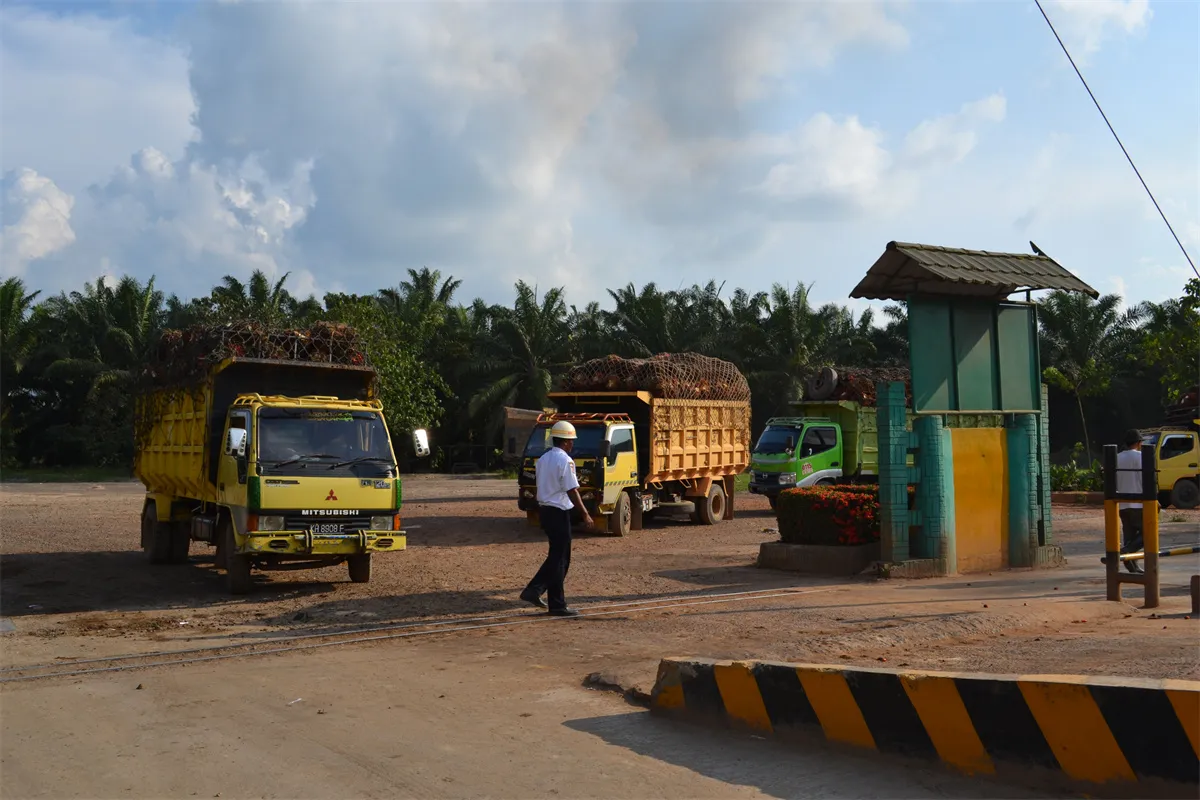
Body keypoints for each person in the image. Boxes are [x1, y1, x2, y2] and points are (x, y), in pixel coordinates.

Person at [520, 420, 593, 617]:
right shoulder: (565, 461)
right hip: (559, 512)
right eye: (571, 441)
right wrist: (585, 514)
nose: (572, 444)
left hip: (546, 510)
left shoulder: (543, 459)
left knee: (558, 558)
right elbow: (572, 490)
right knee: (559, 559)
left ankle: (555, 603)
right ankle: (535, 590)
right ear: (567, 442)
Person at [1116, 428, 1145, 574]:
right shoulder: (1141, 457)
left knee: (1130, 536)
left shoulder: (1116, 457)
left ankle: (1133, 567)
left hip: (1121, 504)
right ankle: (1126, 551)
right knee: (1148, 533)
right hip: (1139, 503)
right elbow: (1147, 481)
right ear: (1139, 443)